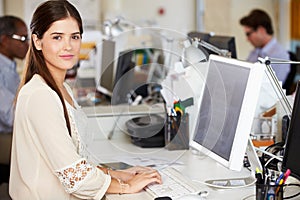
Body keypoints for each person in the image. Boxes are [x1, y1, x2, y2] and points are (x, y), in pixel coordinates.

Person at [9, 0, 161, 199]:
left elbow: (74, 160)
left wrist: (117, 174)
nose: (68, 46)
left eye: (75, 37)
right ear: (37, 41)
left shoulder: (62, 88)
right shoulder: (40, 95)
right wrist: (125, 187)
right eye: (57, 37)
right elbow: (75, 177)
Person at [0, 15, 29, 183]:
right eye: (23, 38)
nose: (27, 44)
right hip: (6, 137)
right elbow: (11, 116)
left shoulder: (9, 66)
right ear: (4, 40)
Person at [239, 9, 290, 83]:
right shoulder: (256, 52)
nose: (247, 39)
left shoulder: (279, 55)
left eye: (248, 34)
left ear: (261, 30)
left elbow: (271, 87)